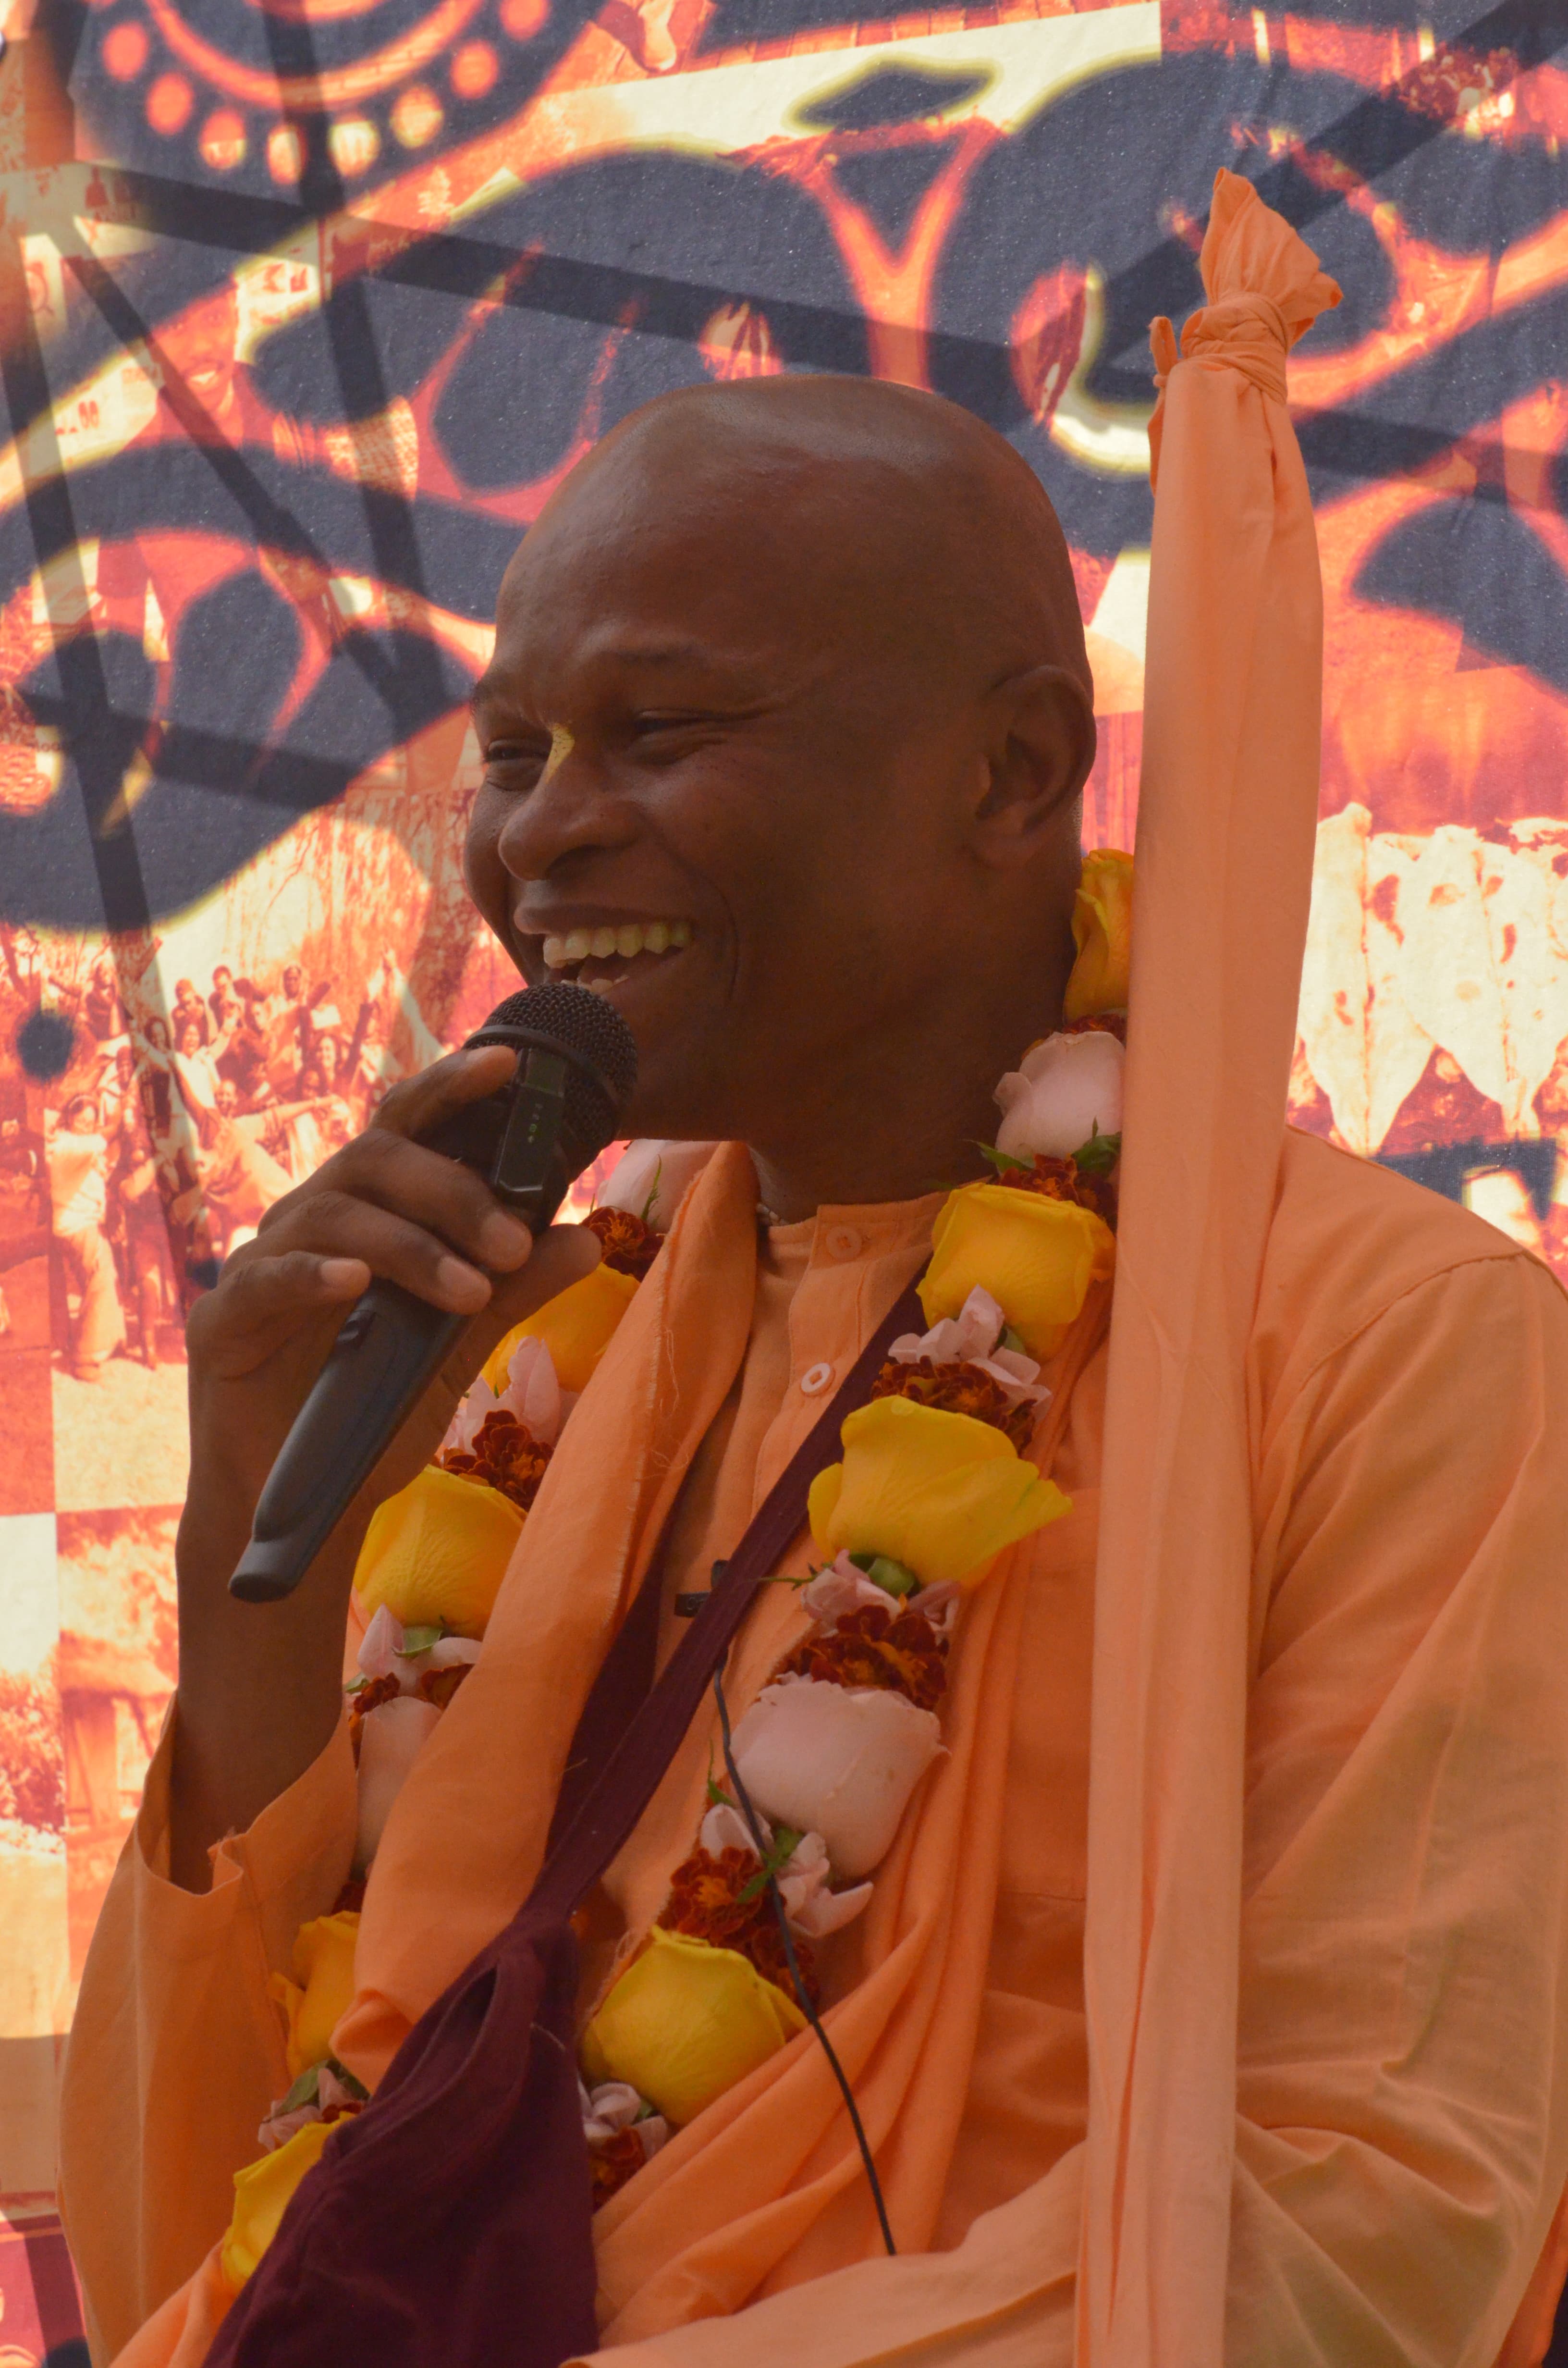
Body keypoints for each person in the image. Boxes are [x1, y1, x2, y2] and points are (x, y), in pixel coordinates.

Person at [61, 185, 1568, 2368]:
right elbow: (186, 2250)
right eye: (510, 753)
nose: (542, 832)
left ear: (1010, 772)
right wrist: (253, 1567)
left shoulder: (1394, 1351)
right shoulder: (530, 1356)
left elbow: (1364, 2224)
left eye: (657, 736)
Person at [47, 1092, 126, 1380]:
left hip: (82, 1224)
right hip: (77, 1226)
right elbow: (104, 1136)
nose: (87, 1126)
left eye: (91, 1122)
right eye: (81, 1121)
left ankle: (110, 1338)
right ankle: (85, 1358)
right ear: (70, 1119)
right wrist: (118, 1119)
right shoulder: (68, 1146)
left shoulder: (76, 1144)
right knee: (101, 1280)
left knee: (102, 1279)